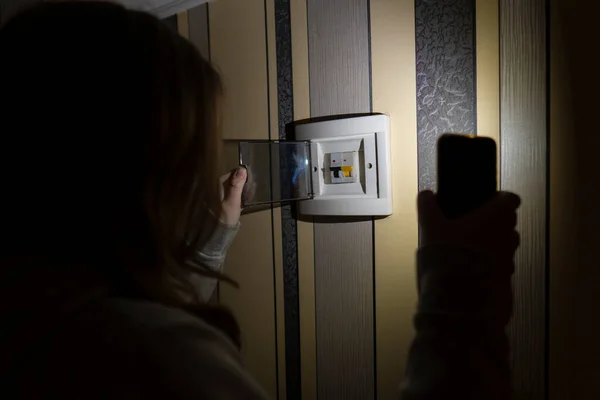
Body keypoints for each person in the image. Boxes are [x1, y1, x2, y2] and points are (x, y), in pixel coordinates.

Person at [0, 2, 521, 399]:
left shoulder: (38, 310)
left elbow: (156, 299)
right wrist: (460, 287)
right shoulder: (154, 359)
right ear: (134, 178)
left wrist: (216, 236)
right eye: (195, 152)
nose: (206, 170)